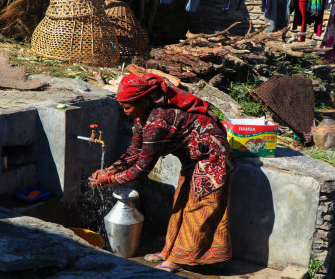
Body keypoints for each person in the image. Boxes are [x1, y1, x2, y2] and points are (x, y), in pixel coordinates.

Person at [89, 73, 237, 273]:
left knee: (198, 207)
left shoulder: (158, 122)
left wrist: (110, 179)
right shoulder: (144, 116)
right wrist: (110, 169)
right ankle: (169, 251)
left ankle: (178, 259)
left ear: (143, 101)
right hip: (192, 157)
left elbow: (142, 168)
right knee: (180, 203)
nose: (125, 112)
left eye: (127, 107)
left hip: (212, 157)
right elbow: (134, 151)